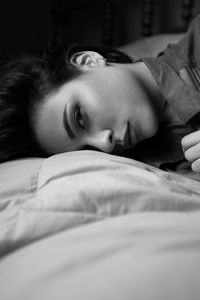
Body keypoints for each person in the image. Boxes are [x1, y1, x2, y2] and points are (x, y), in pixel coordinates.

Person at [1, 15, 200, 178]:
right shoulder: (149, 168)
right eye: (87, 149)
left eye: (79, 118)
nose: (105, 143)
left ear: (88, 60)